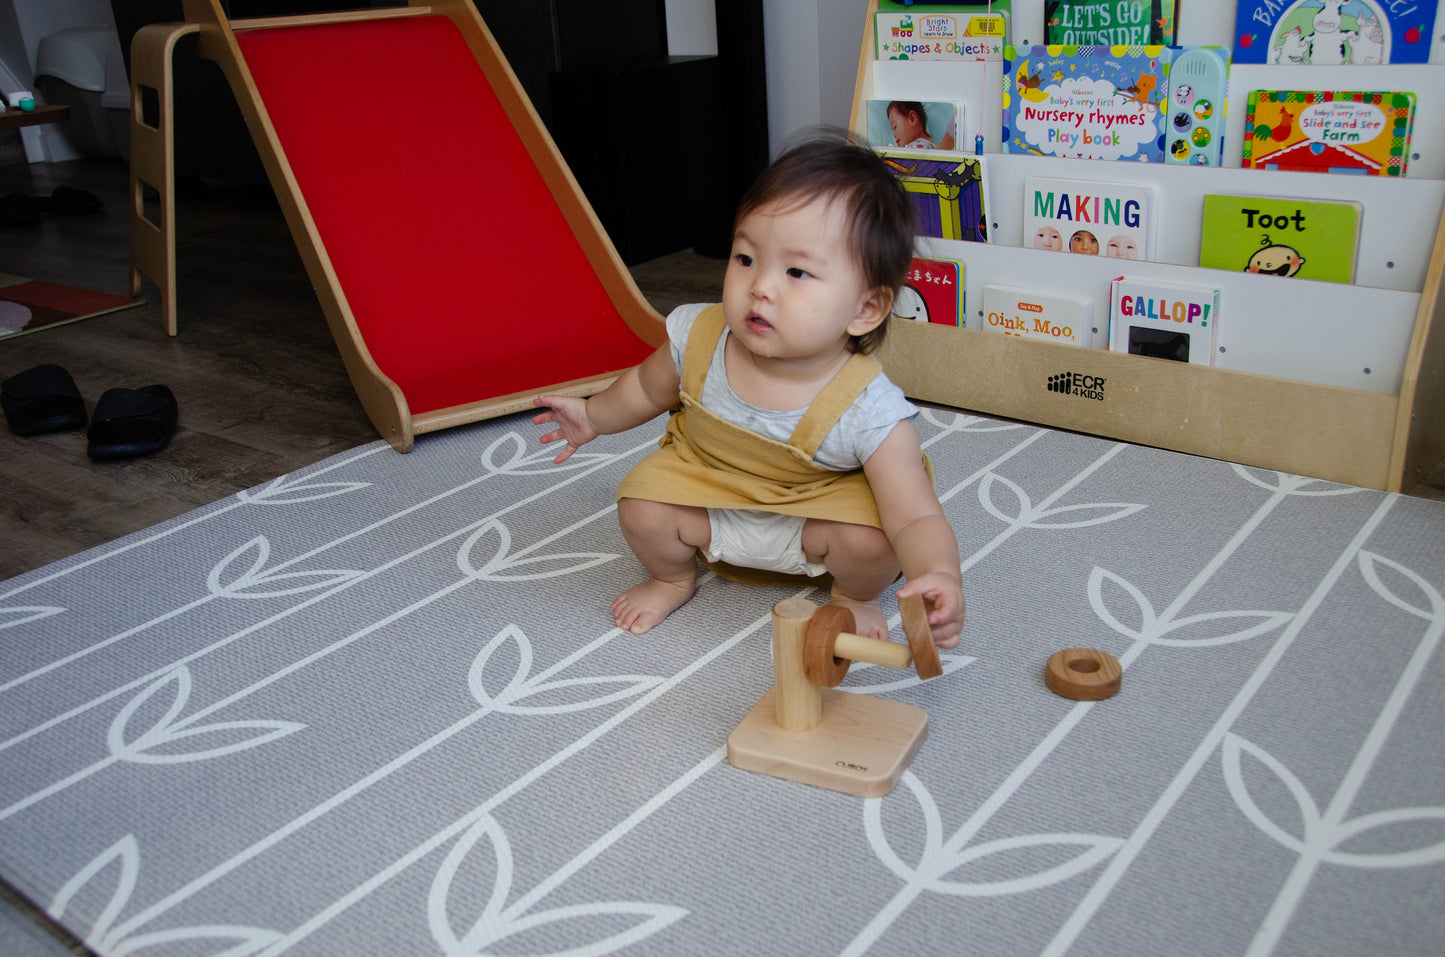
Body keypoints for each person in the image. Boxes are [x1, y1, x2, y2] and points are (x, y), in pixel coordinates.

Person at [533, 130, 964, 649]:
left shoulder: (869, 407)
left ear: (864, 310)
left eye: (797, 271)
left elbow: (914, 513)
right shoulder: (699, 336)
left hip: (814, 516)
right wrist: (594, 417)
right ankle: (672, 577)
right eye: (746, 258)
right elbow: (646, 389)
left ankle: (853, 595)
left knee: (874, 543)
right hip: (707, 490)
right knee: (639, 505)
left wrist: (940, 573)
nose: (761, 285)